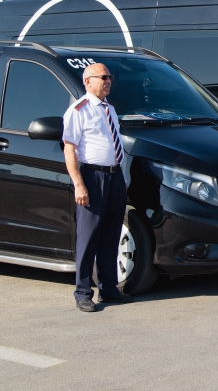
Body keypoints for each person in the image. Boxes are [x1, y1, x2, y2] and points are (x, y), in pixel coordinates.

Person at [63, 63, 133, 312]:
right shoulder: (79, 110)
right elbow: (69, 148)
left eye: (109, 77)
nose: (108, 81)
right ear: (87, 81)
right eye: (102, 77)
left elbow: (115, 147)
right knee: (88, 236)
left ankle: (108, 288)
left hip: (113, 178)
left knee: (111, 235)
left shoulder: (109, 110)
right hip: (92, 177)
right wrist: (79, 184)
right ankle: (83, 292)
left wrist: (122, 178)